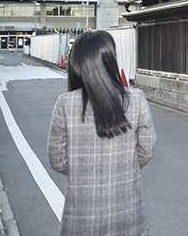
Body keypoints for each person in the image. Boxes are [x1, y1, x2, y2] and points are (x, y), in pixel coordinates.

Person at [47, 31, 156, 236]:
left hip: (80, 221)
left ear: (76, 65)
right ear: (110, 60)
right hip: (128, 217)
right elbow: (146, 149)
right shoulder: (136, 99)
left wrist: (83, 170)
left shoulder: (65, 103)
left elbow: (57, 159)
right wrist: (124, 166)